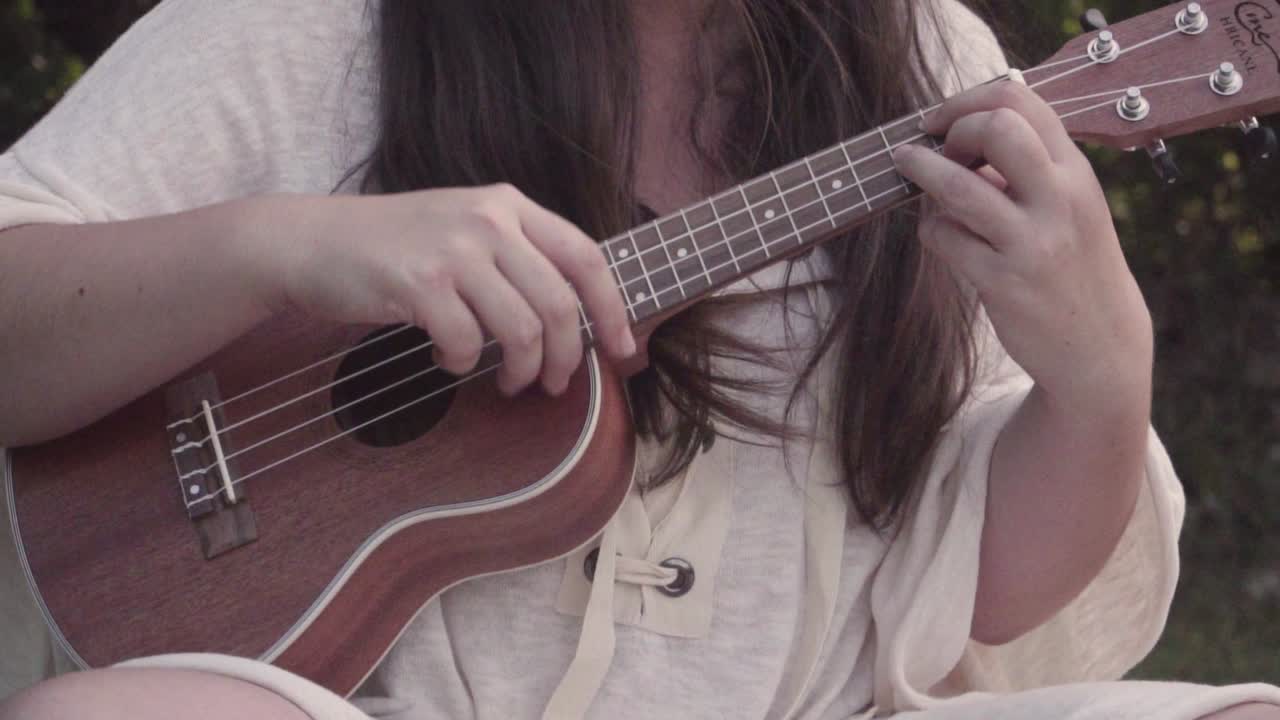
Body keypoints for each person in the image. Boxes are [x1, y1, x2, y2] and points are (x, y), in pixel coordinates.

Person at [0, 1, 1276, 719]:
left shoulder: (931, 64)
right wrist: (281, 248)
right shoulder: (313, 27)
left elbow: (980, 594)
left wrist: (1100, 369)